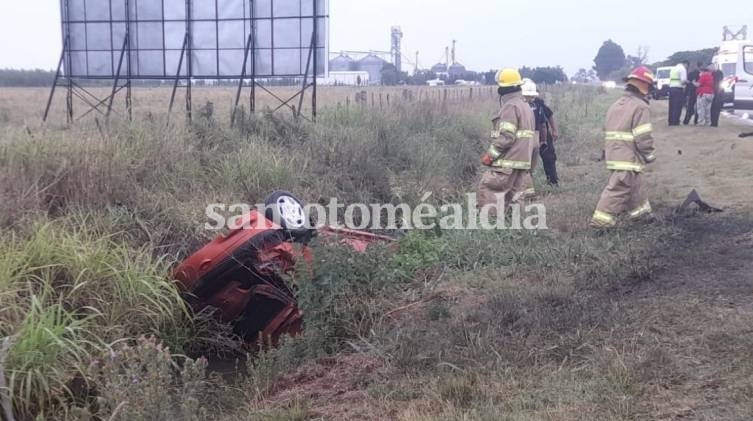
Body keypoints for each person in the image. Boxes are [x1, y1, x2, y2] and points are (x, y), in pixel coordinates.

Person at [591, 66, 657, 228]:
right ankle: (601, 222)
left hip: (615, 154)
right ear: (644, 87)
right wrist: (649, 154)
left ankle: (642, 215)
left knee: (635, 185)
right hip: (627, 156)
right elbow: (643, 136)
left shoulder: (616, 105)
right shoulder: (640, 107)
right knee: (618, 189)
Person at [478, 68, 536, 215]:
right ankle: (516, 228)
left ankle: (489, 225)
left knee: (489, 190)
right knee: (514, 198)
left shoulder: (510, 106)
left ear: (502, 89)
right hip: (522, 162)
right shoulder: (525, 106)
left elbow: (506, 137)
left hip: (507, 162)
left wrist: (490, 155)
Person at [522, 79, 560, 186]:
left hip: (542, 133)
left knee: (549, 157)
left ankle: (553, 181)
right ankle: (527, 185)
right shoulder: (518, 104)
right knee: (526, 162)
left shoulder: (538, 102)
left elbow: (549, 115)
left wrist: (555, 130)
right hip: (526, 135)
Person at [668, 61, 688, 126]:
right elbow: (683, 81)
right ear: (686, 64)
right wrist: (688, 82)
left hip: (671, 88)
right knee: (677, 106)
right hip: (678, 89)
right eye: (687, 66)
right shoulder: (682, 69)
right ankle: (675, 121)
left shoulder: (673, 69)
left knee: (672, 105)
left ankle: (670, 121)